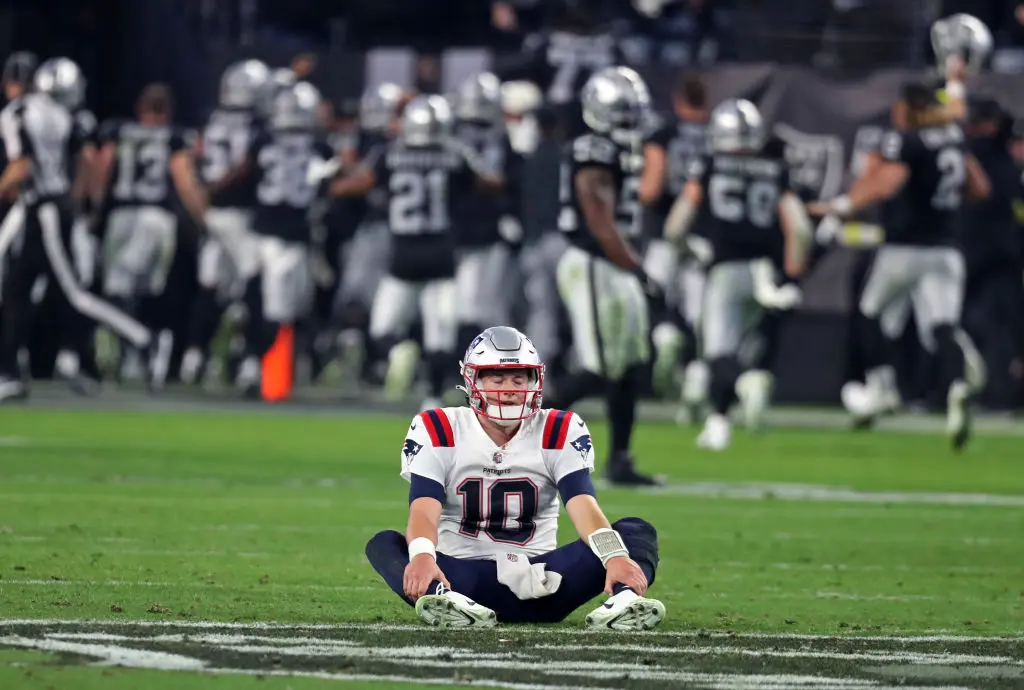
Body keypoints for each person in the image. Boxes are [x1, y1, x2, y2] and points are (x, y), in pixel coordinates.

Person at [365, 326, 663, 630]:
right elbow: (423, 511)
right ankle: (440, 598)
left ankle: (625, 600)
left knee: (635, 532)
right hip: (461, 579)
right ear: (473, 380)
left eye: (519, 379)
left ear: (535, 381)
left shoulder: (559, 428)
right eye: (498, 378)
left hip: (547, 580)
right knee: (388, 544)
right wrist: (424, 558)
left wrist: (614, 557)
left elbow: (584, 507)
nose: (509, 388)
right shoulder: (438, 427)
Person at [809, 83, 990, 450]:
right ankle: (956, 391)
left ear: (909, 108)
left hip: (906, 247)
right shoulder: (952, 139)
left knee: (869, 312)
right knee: (941, 327)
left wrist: (844, 205)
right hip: (947, 249)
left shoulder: (909, 141)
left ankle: (882, 385)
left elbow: (887, 183)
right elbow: (979, 188)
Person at [664, 99, 811, 450]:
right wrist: (791, 277)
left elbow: (674, 228)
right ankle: (720, 421)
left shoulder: (710, 165)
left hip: (726, 268)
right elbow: (801, 229)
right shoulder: (775, 167)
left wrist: (687, 250)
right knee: (745, 344)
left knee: (719, 353)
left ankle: (740, 391)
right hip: (765, 270)